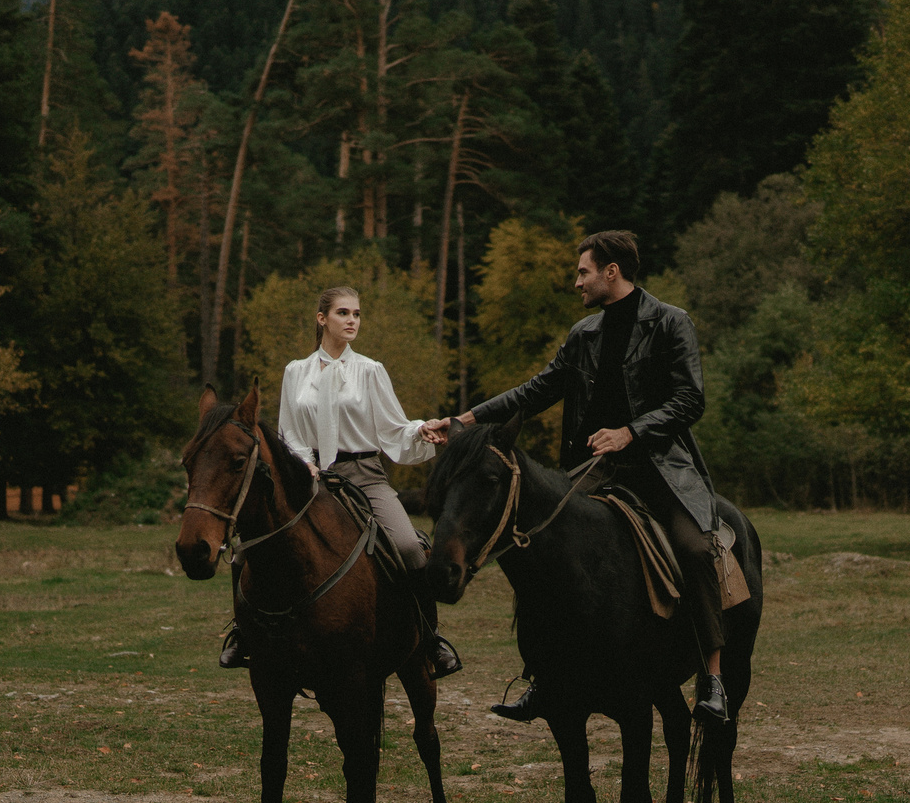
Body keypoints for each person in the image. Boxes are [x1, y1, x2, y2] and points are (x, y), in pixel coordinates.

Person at [422, 229, 731, 726]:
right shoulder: (584, 333)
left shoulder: (672, 323)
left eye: (583, 272)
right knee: (536, 549)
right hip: (591, 471)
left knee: (695, 550)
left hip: (661, 471)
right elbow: (537, 390)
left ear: (612, 272)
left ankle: (712, 679)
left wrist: (631, 432)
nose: (576, 282)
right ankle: (543, 674)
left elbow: (690, 399)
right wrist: (467, 420)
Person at [217, 285, 465, 679]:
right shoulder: (296, 371)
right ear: (322, 319)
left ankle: (430, 640)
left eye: (357, 314)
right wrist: (304, 464)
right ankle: (243, 635)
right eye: (343, 313)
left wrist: (421, 432)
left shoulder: (370, 370)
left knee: (409, 547)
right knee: (246, 546)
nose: (352, 321)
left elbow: (392, 426)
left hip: (364, 476)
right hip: (308, 479)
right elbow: (289, 432)